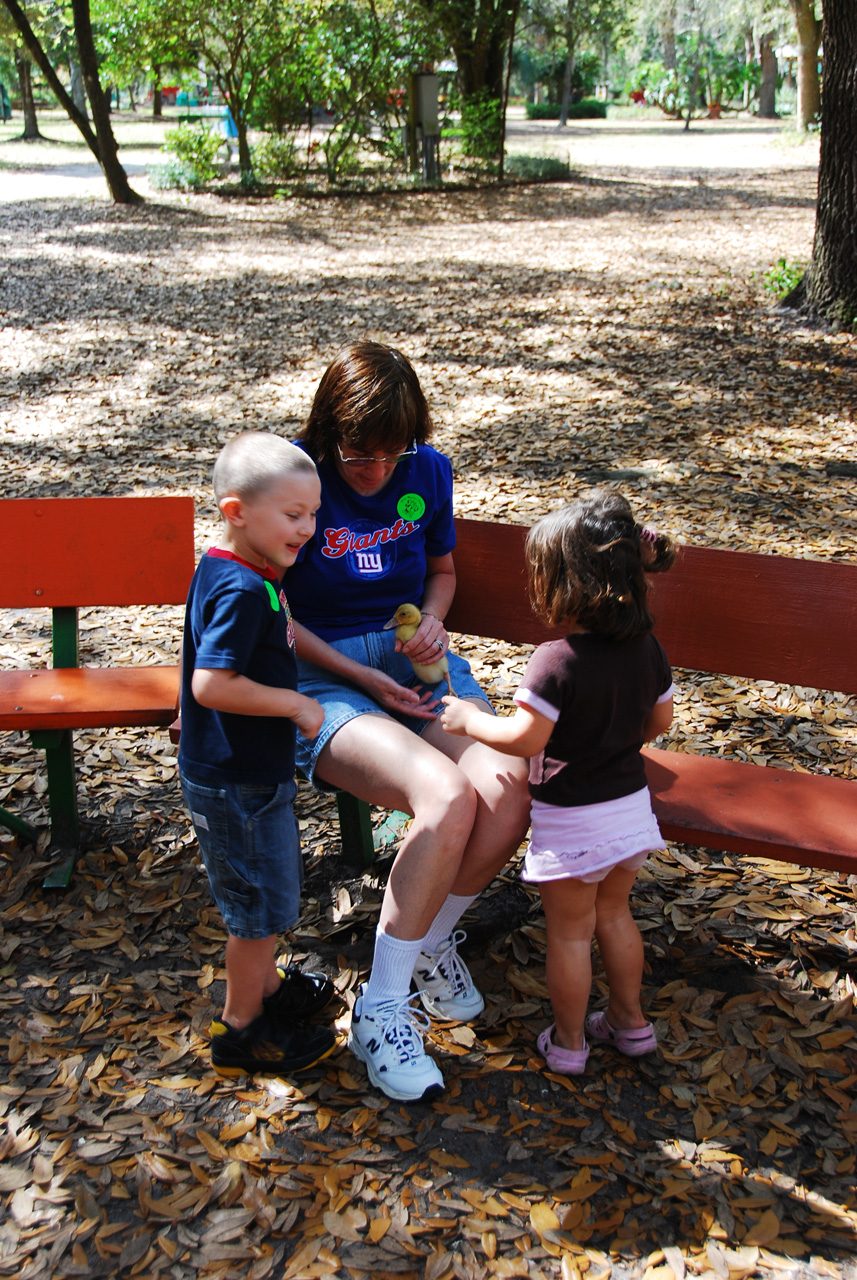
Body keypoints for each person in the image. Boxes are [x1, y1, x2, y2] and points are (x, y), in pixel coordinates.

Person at [286, 342, 531, 1102]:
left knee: (507, 788)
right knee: (446, 795)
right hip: (321, 676)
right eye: (361, 455)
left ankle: (422, 941)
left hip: (410, 662)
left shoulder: (426, 467)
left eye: (394, 454)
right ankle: (381, 1007)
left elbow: (443, 572)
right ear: (329, 432)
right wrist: (360, 677)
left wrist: (430, 621)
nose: (377, 472)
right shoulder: (292, 476)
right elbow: (271, 610)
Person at [441, 491, 676, 1075]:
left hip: (573, 817)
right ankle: (630, 1024)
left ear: (567, 584)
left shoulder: (556, 660)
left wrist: (470, 720)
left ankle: (569, 1044)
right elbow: (658, 722)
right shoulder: (648, 648)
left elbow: (525, 739)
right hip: (629, 810)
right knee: (616, 917)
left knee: (571, 935)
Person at [178, 432, 337, 1078]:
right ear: (236, 512)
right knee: (256, 913)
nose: (309, 527)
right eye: (293, 515)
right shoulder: (243, 591)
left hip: (243, 773)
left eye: (313, 513)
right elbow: (211, 682)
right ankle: (242, 1027)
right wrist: (295, 706)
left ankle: (268, 988)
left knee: (267, 897)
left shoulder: (237, 570)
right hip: (237, 782)